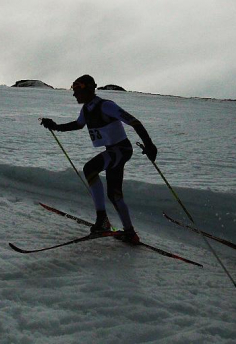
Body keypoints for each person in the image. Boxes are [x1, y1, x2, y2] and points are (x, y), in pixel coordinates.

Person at [40, 74, 157, 244]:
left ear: (86, 89)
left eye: (76, 91)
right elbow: (78, 125)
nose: (74, 95)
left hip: (121, 149)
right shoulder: (87, 109)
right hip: (115, 151)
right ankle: (130, 232)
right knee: (114, 194)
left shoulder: (106, 106)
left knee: (90, 168)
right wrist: (56, 127)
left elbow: (134, 122)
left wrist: (149, 145)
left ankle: (102, 221)